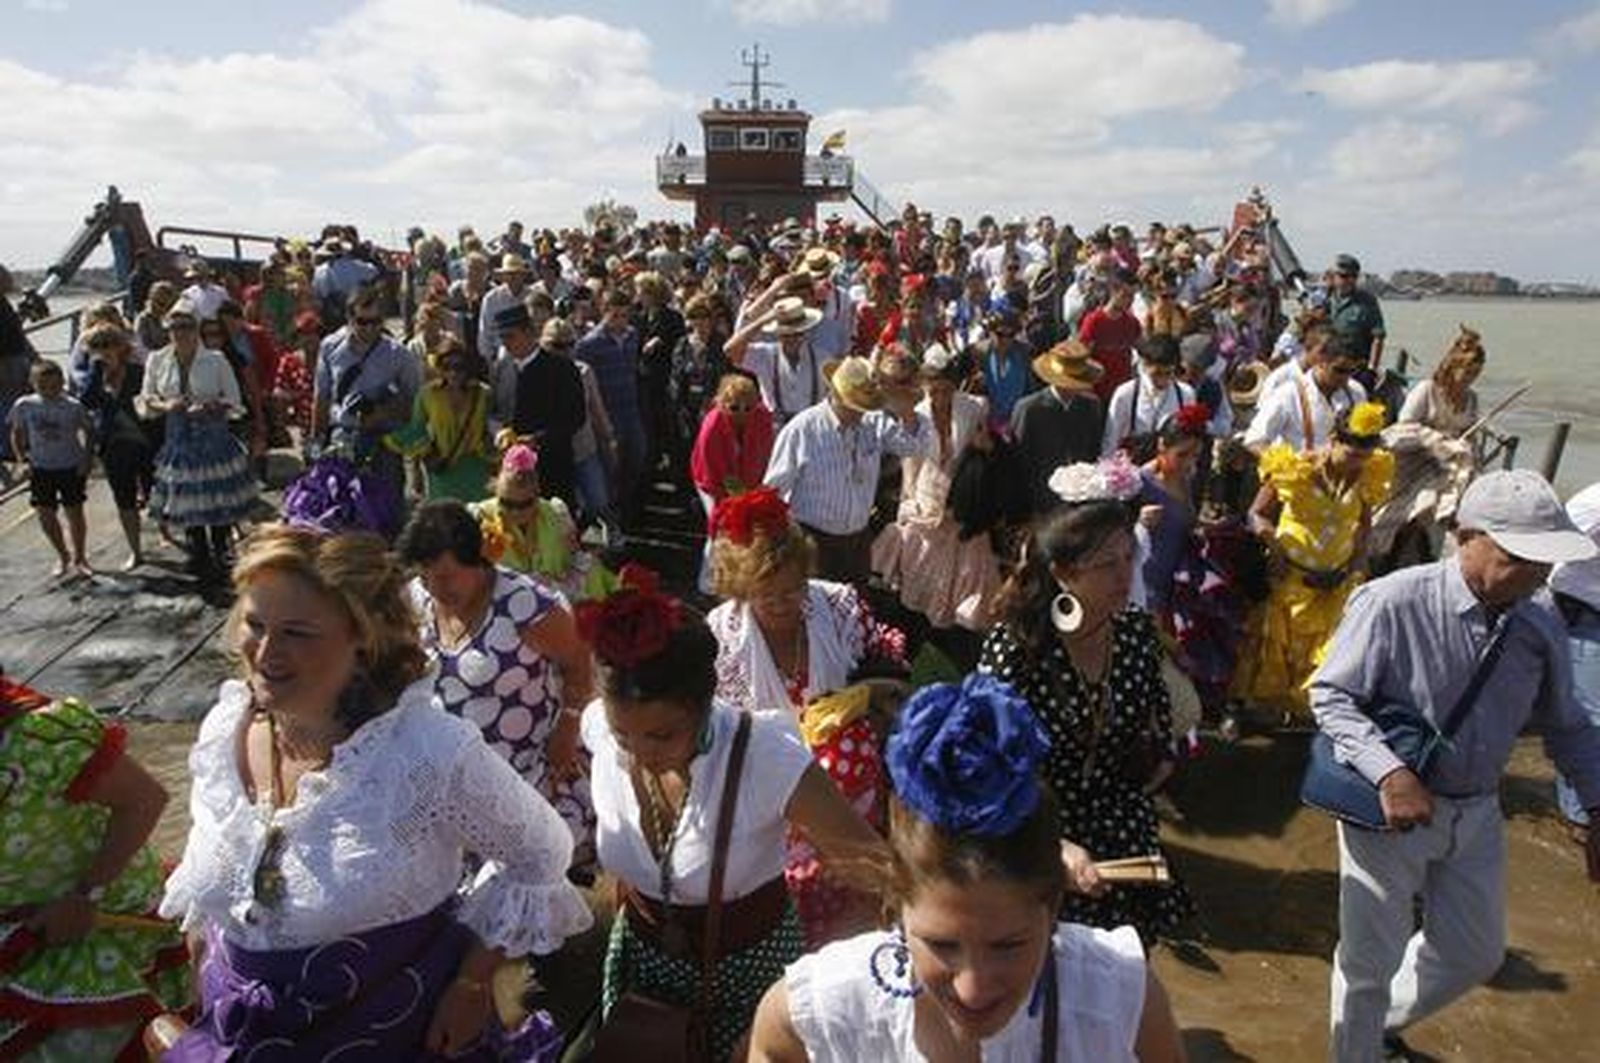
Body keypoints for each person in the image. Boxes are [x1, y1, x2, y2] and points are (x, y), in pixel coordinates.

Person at [157, 525, 591, 1059]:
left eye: (298, 632)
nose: (266, 651)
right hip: (240, 1036)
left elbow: (541, 852)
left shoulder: (425, 751)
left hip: (390, 1030)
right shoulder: (224, 731)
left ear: (361, 638)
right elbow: (215, 897)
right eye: (255, 623)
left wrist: (473, 983)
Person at [1311, 469, 1600, 1062]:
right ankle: (1357, 1051)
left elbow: (1568, 725)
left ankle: (1373, 1028)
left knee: (1475, 952)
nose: (1538, 574)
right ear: (1465, 535)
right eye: (1522, 556)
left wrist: (1597, 805)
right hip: (1386, 813)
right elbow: (1330, 696)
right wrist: (1390, 772)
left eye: (1546, 561)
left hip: (1476, 810)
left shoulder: (1539, 621)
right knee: (1369, 960)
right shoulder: (1392, 601)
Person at [749, 674, 1186, 1062]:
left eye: (1009, 946)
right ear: (896, 904)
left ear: (1053, 908)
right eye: (942, 945)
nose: (972, 989)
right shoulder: (817, 1020)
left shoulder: (1121, 1007)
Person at [577, 570, 887, 1061]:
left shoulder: (762, 754)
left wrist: (804, 995)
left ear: (704, 703)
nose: (638, 754)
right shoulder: (597, 727)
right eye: (624, 737)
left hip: (750, 981)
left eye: (661, 736)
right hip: (644, 972)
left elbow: (880, 876)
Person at [978, 456, 1192, 944]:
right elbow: (991, 766)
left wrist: (1158, 760)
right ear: (1062, 573)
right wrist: (1056, 846)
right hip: (1034, 831)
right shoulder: (1017, 648)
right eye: (1105, 565)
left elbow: (1156, 723)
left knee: (1122, 976)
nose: (1123, 577)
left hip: (1122, 827)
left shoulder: (1135, 632)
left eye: (1127, 560)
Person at [400, 499, 600, 869]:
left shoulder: (526, 605)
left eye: (445, 576)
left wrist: (569, 726)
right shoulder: (418, 597)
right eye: (425, 575)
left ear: (476, 561)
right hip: (452, 778)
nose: (434, 587)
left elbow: (578, 662)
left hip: (523, 771)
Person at [0, 675, 189, 1059]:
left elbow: (146, 800)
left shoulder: (39, 741)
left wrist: (86, 895)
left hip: (97, 928)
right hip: (19, 933)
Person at [1234, 403, 1394, 725]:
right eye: (1350, 455)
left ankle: (1305, 713)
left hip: (1336, 582)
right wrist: (1274, 548)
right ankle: (1245, 710)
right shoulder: (1295, 469)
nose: (1356, 465)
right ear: (1333, 439)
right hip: (1289, 578)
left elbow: (1364, 525)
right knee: (1272, 648)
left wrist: (1358, 564)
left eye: (1364, 457)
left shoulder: (1369, 473)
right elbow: (1256, 514)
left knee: (1325, 653)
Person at [764, 355, 929, 585]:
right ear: (836, 395)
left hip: (858, 541)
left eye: (865, 407)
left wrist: (907, 411)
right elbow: (773, 490)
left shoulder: (873, 422)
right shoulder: (802, 430)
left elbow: (916, 446)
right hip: (814, 541)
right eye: (855, 407)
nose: (861, 413)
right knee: (817, 612)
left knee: (853, 609)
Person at [872, 345, 1002, 631]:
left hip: (963, 498)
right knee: (923, 563)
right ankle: (923, 618)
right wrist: (908, 503)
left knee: (967, 563)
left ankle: (958, 617)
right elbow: (911, 463)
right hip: (927, 494)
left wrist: (984, 447)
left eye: (946, 391)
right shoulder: (916, 414)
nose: (940, 398)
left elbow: (985, 453)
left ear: (955, 388)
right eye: (935, 391)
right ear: (925, 388)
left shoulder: (974, 408)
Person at [138, 299, 257, 580]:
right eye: (175, 326)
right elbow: (146, 398)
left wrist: (214, 406)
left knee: (216, 496)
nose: (181, 332)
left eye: (187, 326)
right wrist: (167, 406)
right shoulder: (157, 359)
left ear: (196, 329)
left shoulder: (216, 359)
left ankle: (221, 548)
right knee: (187, 498)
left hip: (213, 436)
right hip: (179, 438)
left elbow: (235, 401)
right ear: (168, 329)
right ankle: (198, 551)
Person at [489, 305, 585, 508]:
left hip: (552, 468)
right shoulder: (501, 368)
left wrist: (537, 440)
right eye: (502, 338)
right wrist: (498, 432)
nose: (505, 344)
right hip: (511, 472)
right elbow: (493, 412)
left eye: (510, 337)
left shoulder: (562, 368)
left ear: (529, 333)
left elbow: (575, 418)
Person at [80, 323, 156, 570]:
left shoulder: (138, 373)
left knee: (157, 494)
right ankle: (136, 550)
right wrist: (97, 372)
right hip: (114, 448)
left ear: (120, 347)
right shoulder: (93, 377)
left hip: (146, 444)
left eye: (108, 346)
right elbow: (87, 402)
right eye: (96, 348)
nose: (103, 352)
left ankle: (167, 532)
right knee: (124, 499)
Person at [7, 361, 93, 578]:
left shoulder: (73, 406)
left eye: (54, 386)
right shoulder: (25, 405)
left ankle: (80, 556)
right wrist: (21, 460)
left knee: (74, 512)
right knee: (45, 513)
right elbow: (16, 432)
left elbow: (89, 431)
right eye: (43, 386)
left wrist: (86, 458)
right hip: (40, 466)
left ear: (62, 383)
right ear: (33, 384)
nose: (49, 391)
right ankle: (63, 555)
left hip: (69, 464)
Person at [690, 374, 775, 591]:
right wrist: (736, 501)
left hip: (748, 479)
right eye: (734, 407)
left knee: (750, 528)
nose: (742, 412)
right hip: (712, 481)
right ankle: (707, 581)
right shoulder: (712, 426)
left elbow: (765, 456)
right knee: (718, 525)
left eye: (748, 407)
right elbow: (715, 473)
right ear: (722, 403)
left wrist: (753, 495)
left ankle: (742, 575)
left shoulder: (762, 418)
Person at [387, 340, 494, 502]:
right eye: (446, 367)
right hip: (442, 469)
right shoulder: (427, 395)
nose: (453, 373)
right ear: (439, 368)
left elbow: (493, 428)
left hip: (476, 468)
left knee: (478, 520)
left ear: (468, 367)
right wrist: (418, 472)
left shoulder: (483, 393)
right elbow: (417, 430)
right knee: (444, 522)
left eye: (459, 367)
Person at [1010, 340, 1105, 519]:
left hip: (1081, 501)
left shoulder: (1091, 405)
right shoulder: (1029, 408)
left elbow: (1094, 450)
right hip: (1041, 500)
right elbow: (1019, 460)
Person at [1553, 483, 1600, 837]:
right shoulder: (1595, 504)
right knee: (1589, 719)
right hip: (1580, 616)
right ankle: (1582, 819)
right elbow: (1549, 548)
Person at [1244, 332, 1368, 453]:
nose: (1345, 378)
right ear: (1321, 362)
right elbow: (1254, 441)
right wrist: (1287, 464)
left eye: (1351, 371)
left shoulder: (1357, 392)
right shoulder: (1288, 395)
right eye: (1339, 370)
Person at [1100, 334, 1196, 460]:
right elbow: (1111, 441)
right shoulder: (1126, 394)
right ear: (1145, 365)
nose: (1163, 380)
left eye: (1168, 373)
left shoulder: (1186, 394)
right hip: (1133, 468)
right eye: (1157, 373)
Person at [1397, 325, 1483, 436]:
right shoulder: (1427, 389)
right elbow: (1403, 425)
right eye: (1468, 373)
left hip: (1455, 451)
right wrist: (1439, 438)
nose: (1472, 378)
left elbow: (1470, 434)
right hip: (1419, 449)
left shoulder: (1472, 398)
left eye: (1476, 373)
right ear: (1453, 367)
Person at [1325, 253, 1385, 372]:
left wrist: (1372, 369)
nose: (1349, 280)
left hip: (1356, 367)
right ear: (1334, 276)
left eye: (1354, 276)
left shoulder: (1367, 302)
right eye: (1344, 276)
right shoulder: (1324, 299)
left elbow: (1378, 338)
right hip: (1326, 364)